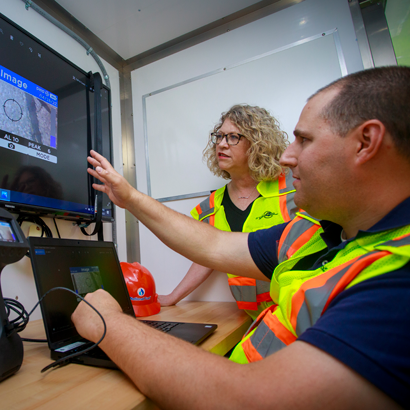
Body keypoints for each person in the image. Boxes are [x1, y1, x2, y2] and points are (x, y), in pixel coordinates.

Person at [72, 66, 410, 409]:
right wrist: (129, 197)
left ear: (366, 142)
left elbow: (246, 398)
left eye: (304, 140)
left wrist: (108, 322)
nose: (288, 156)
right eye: (219, 136)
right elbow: (213, 245)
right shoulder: (318, 234)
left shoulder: (398, 280)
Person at [159, 104, 297, 320]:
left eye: (233, 137)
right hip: (254, 319)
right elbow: (205, 256)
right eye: (219, 136)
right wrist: (171, 297)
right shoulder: (211, 206)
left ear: (257, 143)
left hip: (299, 312)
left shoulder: (293, 188)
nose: (221, 144)